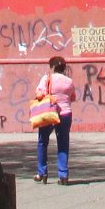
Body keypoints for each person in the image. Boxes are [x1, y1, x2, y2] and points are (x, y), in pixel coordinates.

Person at [30, 55, 75, 183]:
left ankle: (42, 173)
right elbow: (73, 97)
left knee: (43, 142)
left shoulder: (47, 78)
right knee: (63, 143)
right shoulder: (69, 81)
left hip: (49, 113)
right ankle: (63, 175)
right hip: (66, 113)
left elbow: (39, 94)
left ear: (53, 67)